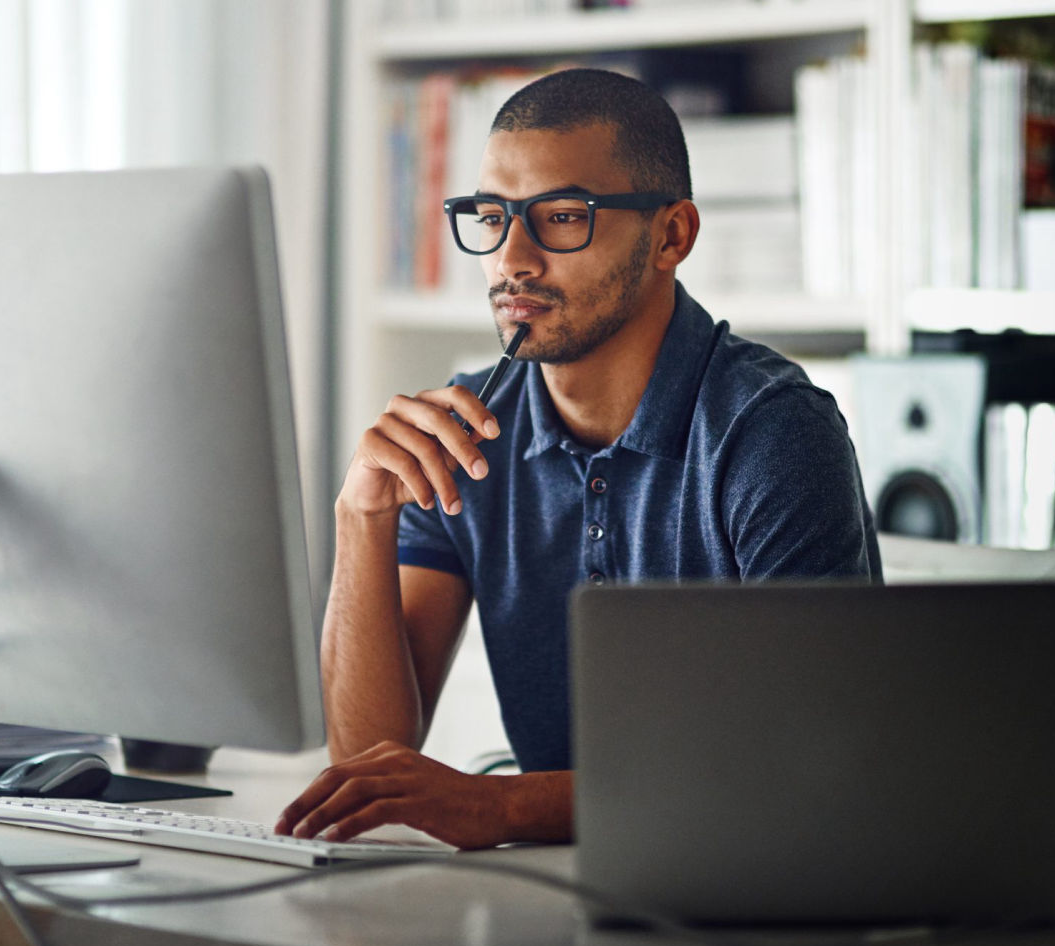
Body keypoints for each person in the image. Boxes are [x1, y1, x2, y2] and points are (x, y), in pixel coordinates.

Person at [275, 68, 881, 850]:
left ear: (671, 235)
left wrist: (501, 808)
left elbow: (805, 764)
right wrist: (361, 516)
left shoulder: (771, 433)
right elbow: (367, 766)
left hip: (748, 892)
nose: (511, 259)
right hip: (555, 892)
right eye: (491, 217)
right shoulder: (464, 430)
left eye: (561, 217)